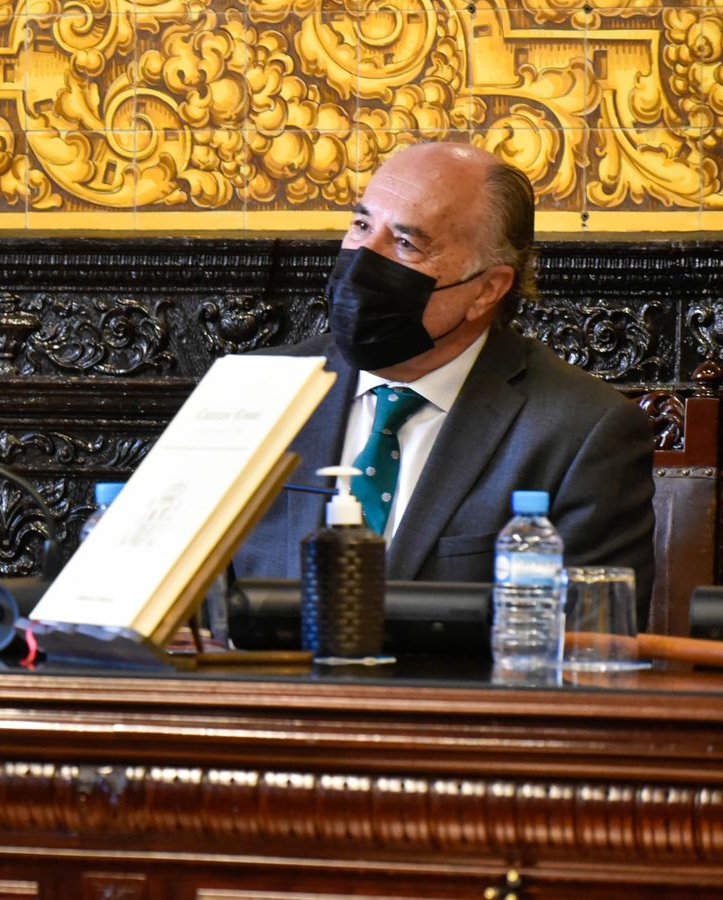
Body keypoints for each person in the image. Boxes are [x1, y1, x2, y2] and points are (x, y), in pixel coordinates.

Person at [235, 141, 655, 620]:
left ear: (488, 289)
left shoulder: (580, 432)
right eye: (362, 225)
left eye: (406, 244)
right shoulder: (253, 391)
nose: (363, 261)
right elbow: (185, 607)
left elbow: (589, 641)